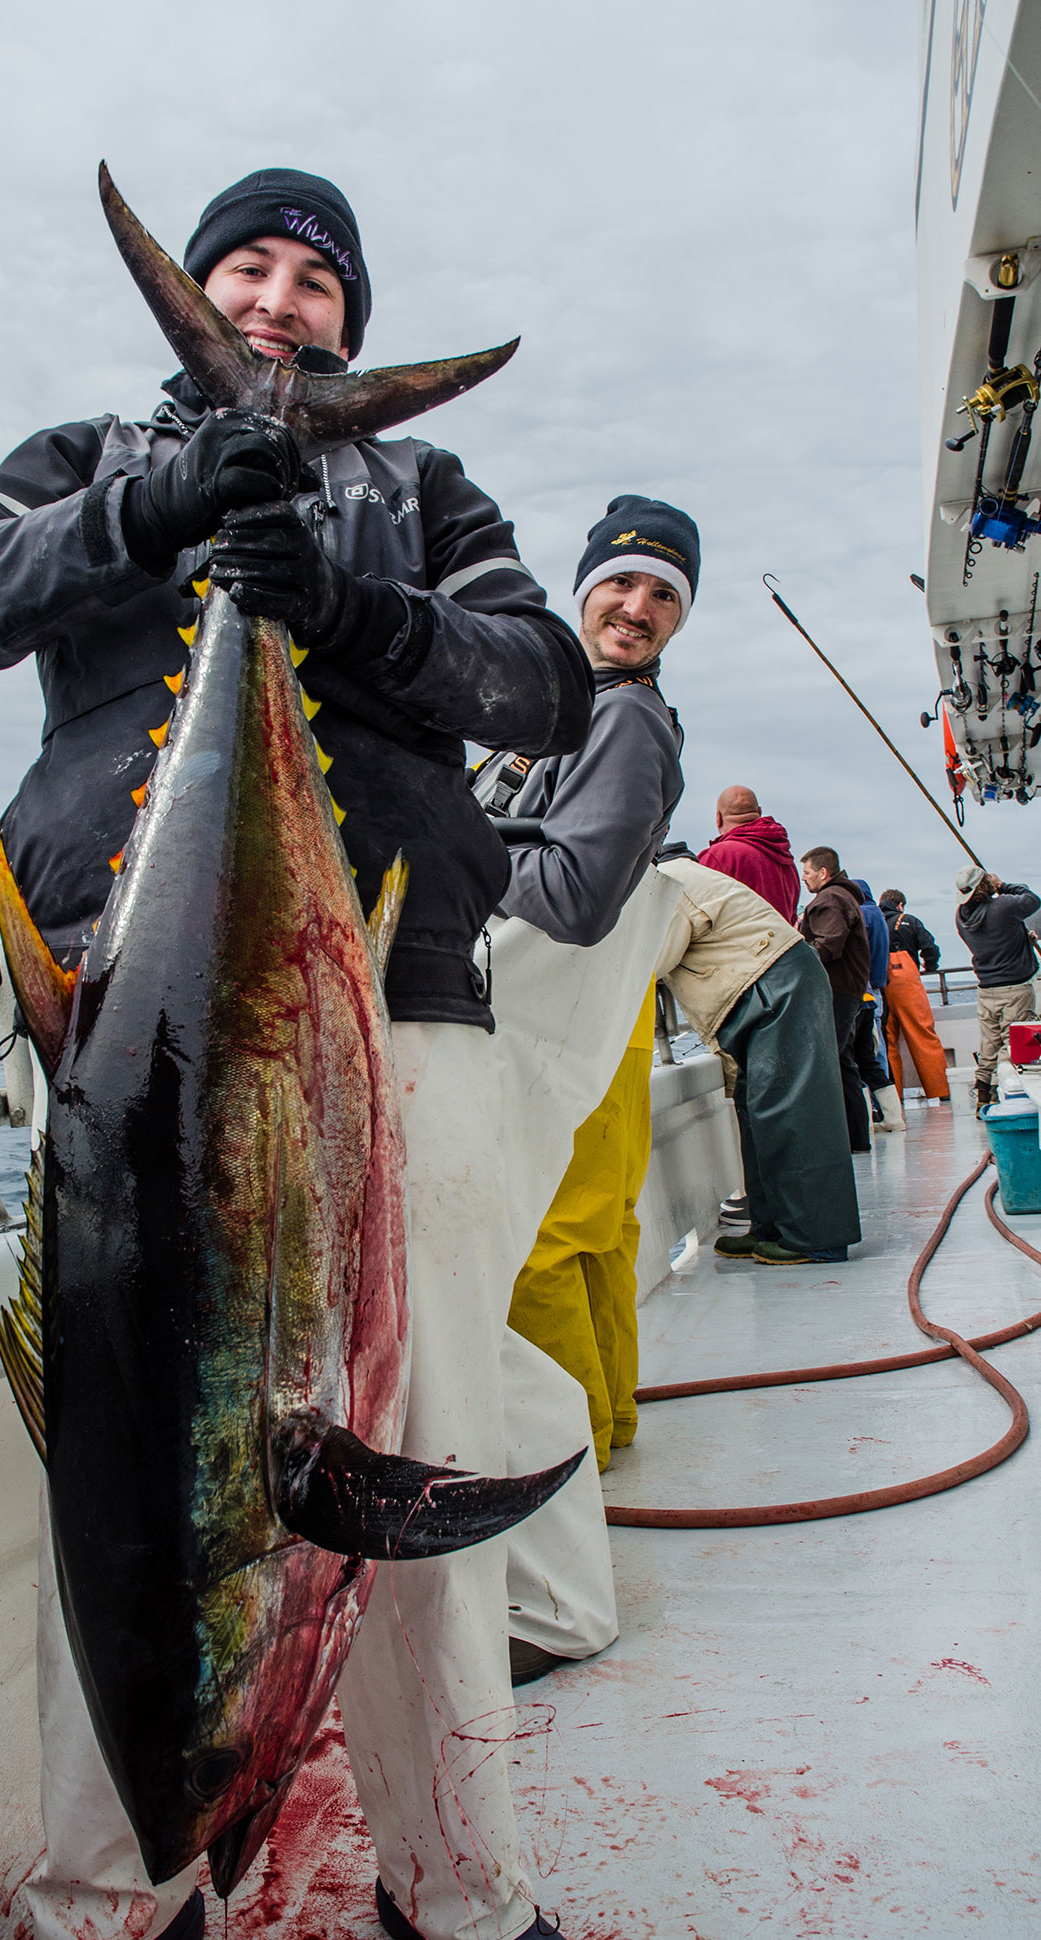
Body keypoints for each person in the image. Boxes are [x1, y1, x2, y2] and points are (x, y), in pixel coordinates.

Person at [0, 167, 602, 1940]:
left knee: (419, 1436)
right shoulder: (82, 458)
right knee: (114, 1481)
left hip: (390, 1011)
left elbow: (543, 684)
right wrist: (156, 508)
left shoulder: (425, 488)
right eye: (247, 270)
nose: (277, 305)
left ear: (352, 321)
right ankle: (111, 1904)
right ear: (203, 290)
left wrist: (350, 609)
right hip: (126, 1038)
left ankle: (458, 1891)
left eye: (314, 282)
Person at [478, 497, 691, 1562]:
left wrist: (442, 842)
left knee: (535, 1244)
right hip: (607, 1022)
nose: (636, 606)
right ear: (584, 590)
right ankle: (606, 1423)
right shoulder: (575, 711)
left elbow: (574, 894)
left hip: (564, 1024)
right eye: (620, 581)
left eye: (663, 594)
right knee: (601, 1233)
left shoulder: (621, 718)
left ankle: (557, 1458)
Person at [654, 853, 860, 1264]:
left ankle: (814, 1238)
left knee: (791, 1111)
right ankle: (770, 1227)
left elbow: (653, 957)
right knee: (757, 1113)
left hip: (773, 988)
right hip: (761, 990)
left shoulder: (667, 881)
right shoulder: (674, 877)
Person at [799, 847, 872, 1154]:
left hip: (835, 990)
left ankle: (840, 1139)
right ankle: (856, 1138)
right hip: (850, 990)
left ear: (823, 872)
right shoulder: (846, 897)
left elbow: (828, 945)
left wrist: (795, 956)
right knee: (843, 1063)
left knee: (830, 1062)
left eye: (807, 873)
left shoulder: (829, 900)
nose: (804, 879)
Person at [954, 866, 1041, 1112]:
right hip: (1015, 988)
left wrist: (1021, 938)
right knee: (1011, 1044)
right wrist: (1002, 885)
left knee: (989, 1045)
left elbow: (997, 938)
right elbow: (1032, 899)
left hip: (986, 989)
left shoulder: (961, 917)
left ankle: (982, 1093)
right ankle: (1001, 1098)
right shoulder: (1003, 906)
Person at [877, 889, 950, 1104]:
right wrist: (930, 966)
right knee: (922, 1034)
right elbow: (930, 948)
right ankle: (939, 1089)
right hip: (906, 984)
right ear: (900, 905)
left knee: (887, 1041)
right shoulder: (908, 920)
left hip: (881, 984)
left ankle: (893, 1096)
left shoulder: (874, 921)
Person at [696, 785, 800, 923]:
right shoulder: (788, 862)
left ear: (718, 818)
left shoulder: (717, 857)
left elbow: (694, 913)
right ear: (759, 812)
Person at [852, 879, 905, 1132]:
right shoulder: (878, 916)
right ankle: (891, 1115)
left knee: (867, 1054)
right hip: (876, 991)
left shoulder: (864, 915)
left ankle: (873, 1110)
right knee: (876, 1052)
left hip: (862, 992)